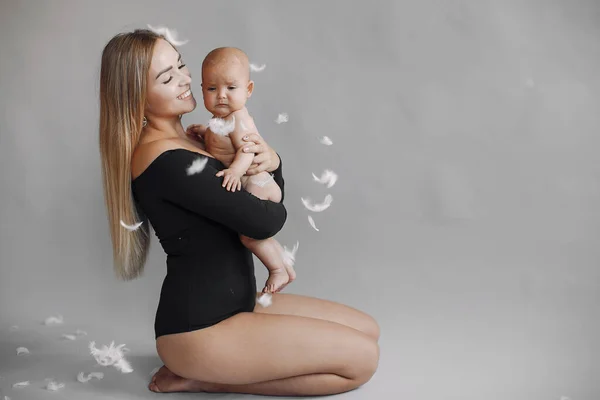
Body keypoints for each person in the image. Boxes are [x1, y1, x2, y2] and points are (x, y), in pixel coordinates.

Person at [98, 28, 380, 396]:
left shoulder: (192, 139)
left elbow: (257, 197)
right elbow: (264, 219)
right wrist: (264, 170)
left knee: (368, 329)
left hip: (239, 305)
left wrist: (271, 160)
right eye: (167, 78)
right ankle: (203, 377)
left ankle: (215, 370)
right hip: (200, 329)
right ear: (135, 96)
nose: (186, 80)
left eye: (181, 66)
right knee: (362, 361)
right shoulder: (168, 161)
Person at [194, 46, 295, 294]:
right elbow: (220, 140)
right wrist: (203, 133)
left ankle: (278, 270)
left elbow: (246, 150)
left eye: (231, 88)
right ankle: (283, 261)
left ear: (248, 90)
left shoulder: (238, 118)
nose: (221, 96)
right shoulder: (221, 120)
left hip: (258, 183)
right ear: (202, 89)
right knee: (252, 234)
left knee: (248, 235)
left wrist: (236, 172)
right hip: (257, 183)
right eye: (212, 89)